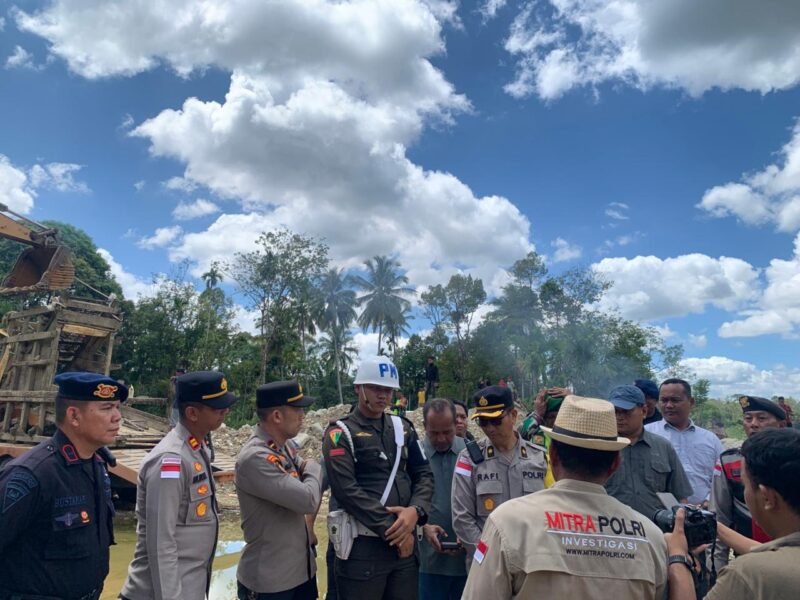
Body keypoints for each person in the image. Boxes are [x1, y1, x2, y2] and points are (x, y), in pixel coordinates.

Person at [462, 395, 667, 599]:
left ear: (552, 456)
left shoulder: (508, 523)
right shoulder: (651, 538)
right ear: (615, 464)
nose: (489, 428)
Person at [0, 372, 127, 600]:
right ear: (74, 416)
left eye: (117, 407)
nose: (117, 417)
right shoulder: (33, 475)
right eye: (107, 408)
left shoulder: (97, 466)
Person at [322, 356, 434, 600]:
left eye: (388, 390)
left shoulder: (403, 428)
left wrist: (415, 511)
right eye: (375, 388)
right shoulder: (340, 433)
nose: (382, 395)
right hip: (362, 550)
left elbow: (423, 474)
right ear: (358, 388)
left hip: (404, 553)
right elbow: (346, 491)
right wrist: (395, 531)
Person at [121, 370, 237, 600]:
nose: (225, 412)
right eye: (217, 408)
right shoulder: (170, 460)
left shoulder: (196, 448)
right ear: (192, 413)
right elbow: (161, 543)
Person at [665, 428, 800, 600]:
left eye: (746, 486)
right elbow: (779, 552)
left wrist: (677, 558)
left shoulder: (749, 574)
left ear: (767, 497)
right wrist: (715, 527)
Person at [235, 380, 323, 599]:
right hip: (271, 582)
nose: (303, 415)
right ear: (276, 416)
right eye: (297, 409)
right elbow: (308, 499)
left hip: (300, 573)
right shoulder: (256, 457)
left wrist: (308, 470)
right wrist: (314, 468)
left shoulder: (284, 446)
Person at [452, 386, 548, 565]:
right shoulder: (468, 459)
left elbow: (549, 513)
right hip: (487, 565)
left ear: (513, 415)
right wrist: (490, 556)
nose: (489, 428)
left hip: (532, 561)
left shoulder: (539, 458)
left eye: (495, 420)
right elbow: (462, 519)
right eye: (482, 421)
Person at [710, 395, 786, 571]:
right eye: (748, 418)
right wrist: (716, 570)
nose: (754, 424)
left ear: (781, 425)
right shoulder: (729, 462)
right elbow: (719, 519)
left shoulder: (793, 459)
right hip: (747, 562)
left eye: (762, 418)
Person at [604, 385, 692, 519]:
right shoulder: (600, 447)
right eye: (615, 411)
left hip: (656, 532)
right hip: (610, 530)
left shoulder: (663, 447)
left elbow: (680, 497)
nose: (619, 417)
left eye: (626, 411)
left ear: (644, 411)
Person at [645, 378, 723, 506]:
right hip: (657, 514)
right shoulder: (646, 434)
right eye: (664, 400)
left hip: (704, 513)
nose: (669, 405)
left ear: (691, 402)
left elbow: (721, 477)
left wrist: (709, 500)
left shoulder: (710, 439)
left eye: (675, 400)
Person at [419, 398, 468, 600]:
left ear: (456, 424)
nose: (440, 439)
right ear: (424, 427)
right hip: (426, 563)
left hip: (467, 563)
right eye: (434, 433)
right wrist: (423, 527)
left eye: (447, 432)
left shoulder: (471, 453)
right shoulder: (413, 455)